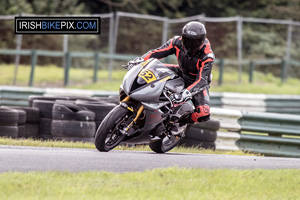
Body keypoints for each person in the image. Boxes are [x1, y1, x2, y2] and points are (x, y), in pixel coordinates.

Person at [125, 21, 215, 124]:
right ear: (182, 37)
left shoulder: (207, 56)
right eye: (187, 40)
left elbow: (202, 80)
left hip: (196, 81)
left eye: (195, 42)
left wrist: (186, 93)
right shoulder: (176, 42)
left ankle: (179, 123)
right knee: (149, 69)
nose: (190, 45)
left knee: (203, 114)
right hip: (180, 71)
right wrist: (141, 60)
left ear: (202, 40)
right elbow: (157, 52)